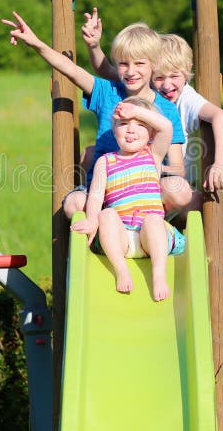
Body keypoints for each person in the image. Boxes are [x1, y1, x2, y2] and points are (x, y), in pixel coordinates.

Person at [2, 11, 191, 218]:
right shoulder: (106, 92)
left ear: (154, 64)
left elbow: (177, 168)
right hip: (103, 190)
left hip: (145, 190)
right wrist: (36, 43)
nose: (130, 71)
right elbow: (70, 69)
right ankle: (102, 223)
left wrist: (143, 166)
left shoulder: (167, 109)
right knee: (73, 204)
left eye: (139, 63)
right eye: (123, 63)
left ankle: (147, 219)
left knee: (180, 190)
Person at [81, 8, 223, 213]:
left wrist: (221, 163)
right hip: (132, 172)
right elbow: (106, 71)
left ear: (187, 71)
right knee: (90, 154)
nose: (166, 85)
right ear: (151, 72)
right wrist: (95, 46)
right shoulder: (144, 88)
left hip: (167, 176)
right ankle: (93, 198)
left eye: (174, 76)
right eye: (159, 78)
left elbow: (221, 116)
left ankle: (159, 220)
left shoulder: (187, 98)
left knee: (194, 200)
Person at [71, 97, 184, 301]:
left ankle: (159, 273)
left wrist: (135, 112)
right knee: (106, 214)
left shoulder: (152, 155)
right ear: (115, 131)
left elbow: (166, 127)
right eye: (124, 124)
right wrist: (90, 220)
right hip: (122, 239)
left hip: (151, 238)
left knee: (153, 220)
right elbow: (96, 195)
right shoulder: (105, 162)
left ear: (150, 133)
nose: (131, 130)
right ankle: (121, 269)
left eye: (140, 125)